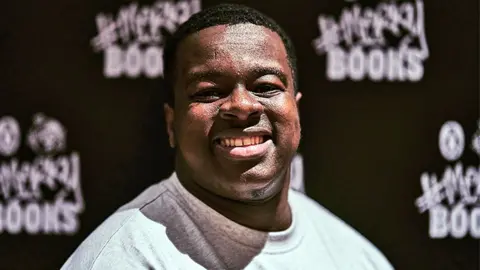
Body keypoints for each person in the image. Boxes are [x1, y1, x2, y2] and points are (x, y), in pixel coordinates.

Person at [61, 4, 394, 270]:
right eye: (209, 92)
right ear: (171, 125)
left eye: (265, 87)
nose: (242, 105)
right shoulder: (123, 259)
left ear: (297, 112)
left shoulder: (354, 256)